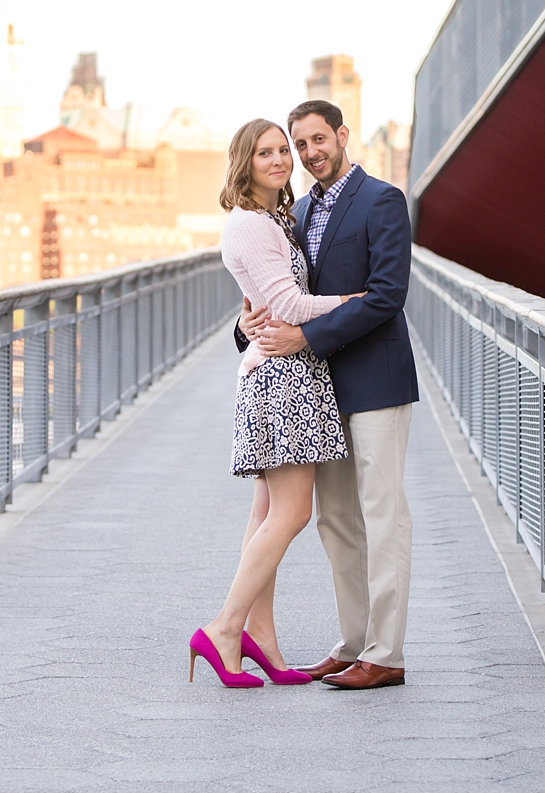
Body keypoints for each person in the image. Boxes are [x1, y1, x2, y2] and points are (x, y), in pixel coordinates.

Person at [238, 99, 420, 690]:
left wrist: (306, 334)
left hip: (375, 380)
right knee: (336, 518)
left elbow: (387, 294)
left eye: (319, 140)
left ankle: (386, 653)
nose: (310, 153)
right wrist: (249, 328)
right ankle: (354, 640)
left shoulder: (382, 201)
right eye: (300, 144)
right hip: (317, 387)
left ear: (343, 136)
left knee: (382, 513)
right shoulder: (301, 210)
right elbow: (284, 292)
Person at [189, 118, 363, 688]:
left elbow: (265, 300)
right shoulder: (248, 225)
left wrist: (255, 312)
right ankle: (223, 628)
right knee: (292, 513)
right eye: (264, 152)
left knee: (267, 513)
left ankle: (258, 636)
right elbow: (287, 300)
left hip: (289, 371)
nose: (279, 160)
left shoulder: (274, 220)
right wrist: (353, 300)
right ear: (244, 162)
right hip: (281, 379)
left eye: (282, 150)